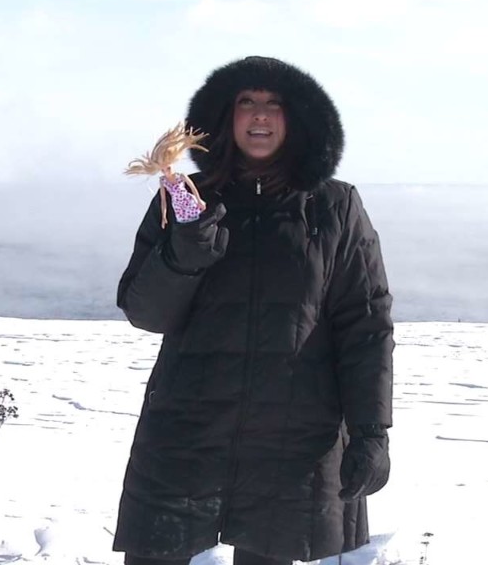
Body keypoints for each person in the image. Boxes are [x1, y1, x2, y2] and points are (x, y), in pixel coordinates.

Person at [114, 55, 395, 565]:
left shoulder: (334, 207)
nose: (260, 114)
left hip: (292, 441)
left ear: (298, 118)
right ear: (225, 116)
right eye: (246, 101)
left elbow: (365, 326)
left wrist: (371, 432)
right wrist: (185, 253)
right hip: (186, 432)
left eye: (274, 103)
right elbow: (145, 312)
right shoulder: (187, 200)